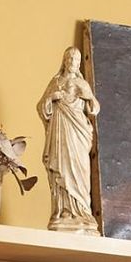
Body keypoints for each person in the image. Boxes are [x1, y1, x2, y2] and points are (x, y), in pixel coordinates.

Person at [38, 47, 101, 232]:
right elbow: (41, 107)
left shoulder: (82, 84)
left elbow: (94, 108)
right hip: (60, 131)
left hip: (78, 131)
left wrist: (88, 97)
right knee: (62, 167)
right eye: (71, 59)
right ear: (65, 60)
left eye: (77, 60)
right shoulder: (56, 82)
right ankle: (64, 210)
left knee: (79, 169)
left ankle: (81, 210)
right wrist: (51, 98)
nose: (73, 63)